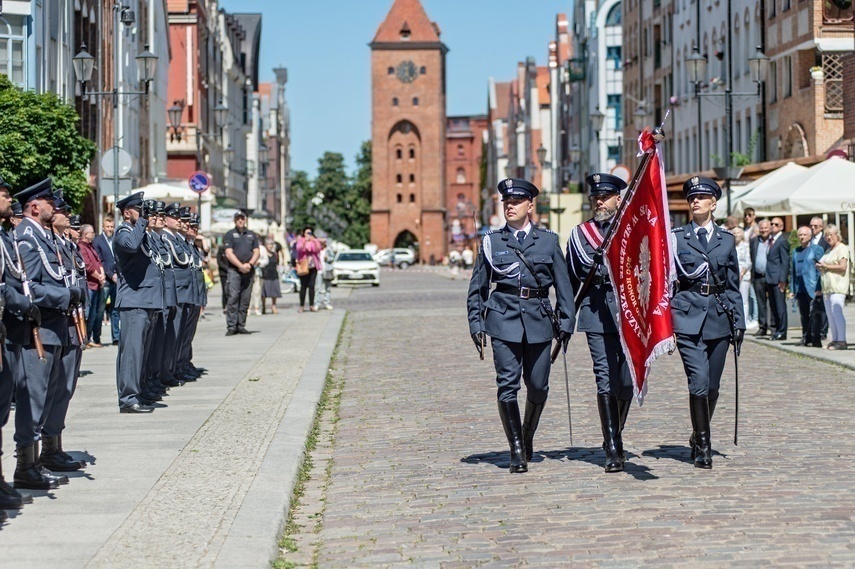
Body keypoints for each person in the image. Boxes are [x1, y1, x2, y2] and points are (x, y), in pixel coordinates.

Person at [467, 178, 575, 473]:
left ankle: (527, 434)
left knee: (538, 387)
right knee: (507, 385)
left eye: (515, 202)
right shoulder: (491, 242)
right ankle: (516, 449)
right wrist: (476, 322)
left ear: (530, 205)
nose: (509, 207)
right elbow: (478, 287)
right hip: (502, 319)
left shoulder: (549, 241)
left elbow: (564, 288)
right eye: (506, 203)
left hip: (539, 320)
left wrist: (566, 322)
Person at [671, 176, 745, 469]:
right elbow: (669, 283)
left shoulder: (726, 240)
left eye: (701, 197)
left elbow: (732, 284)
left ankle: (696, 432)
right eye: (692, 198)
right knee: (698, 382)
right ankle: (704, 445)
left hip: (718, 317)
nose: (695, 201)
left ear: (714, 203)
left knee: (712, 386)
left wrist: (738, 321)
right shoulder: (677, 238)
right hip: (687, 317)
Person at [13, 179, 80, 487]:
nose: (56, 208)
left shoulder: (46, 237)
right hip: (40, 328)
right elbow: (29, 287)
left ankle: (45, 456)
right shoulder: (27, 237)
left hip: (57, 326)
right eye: (51, 203)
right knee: (35, 397)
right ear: (35, 206)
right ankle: (25, 466)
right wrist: (64, 297)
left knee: (54, 393)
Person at [566, 173, 633, 473]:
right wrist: (564, 318)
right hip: (595, 314)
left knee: (627, 383)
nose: (599, 201)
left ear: (618, 199)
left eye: (605, 196)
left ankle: (614, 433)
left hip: (628, 316)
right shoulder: (581, 236)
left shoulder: (631, 231)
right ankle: (613, 446)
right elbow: (568, 281)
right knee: (605, 379)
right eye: (595, 196)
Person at [0, 175, 40, 506]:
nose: (7, 200)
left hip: (10, 332)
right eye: (3, 194)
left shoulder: (6, 237)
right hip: (7, 324)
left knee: (2, 408)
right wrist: (23, 303)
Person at [114, 191, 164, 413]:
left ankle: (138, 391)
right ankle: (128, 399)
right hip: (134, 300)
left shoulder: (142, 233)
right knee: (132, 354)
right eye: (138, 210)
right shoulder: (123, 232)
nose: (143, 214)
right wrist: (142, 221)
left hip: (146, 300)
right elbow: (131, 246)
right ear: (127, 213)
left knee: (141, 353)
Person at [223, 211, 259, 333]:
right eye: (238, 219)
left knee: (245, 298)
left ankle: (241, 325)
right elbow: (229, 253)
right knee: (233, 297)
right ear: (234, 220)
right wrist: (240, 266)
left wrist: (249, 264)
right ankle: (232, 326)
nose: (240, 221)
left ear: (245, 220)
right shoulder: (230, 235)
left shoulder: (251, 235)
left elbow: (256, 252)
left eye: (242, 219)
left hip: (249, 270)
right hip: (234, 270)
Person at [789, 226, 824, 347]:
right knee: (804, 315)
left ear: (810, 236)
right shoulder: (796, 251)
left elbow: (820, 269)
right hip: (800, 288)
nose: (802, 237)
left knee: (815, 314)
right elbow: (793, 272)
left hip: (812, 286)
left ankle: (816, 338)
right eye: (800, 235)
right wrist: (792, 289)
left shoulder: (817, 249)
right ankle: (806, 337)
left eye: (804, 235)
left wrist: (819, 287)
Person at [817, 224, 850, 350]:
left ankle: (842, 341)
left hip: (837, 286)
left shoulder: (841, 248)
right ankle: (835, 339)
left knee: (837, 312)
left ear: (837, 235)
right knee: (830, 314)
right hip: (827, 287)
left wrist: (826, 267)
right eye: (826, 235)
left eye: (831, 234)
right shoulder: (829, 250)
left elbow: (843, 266)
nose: (828, 237)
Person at [78, 223, 106, 347]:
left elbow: (98, 262)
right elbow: (88, 266)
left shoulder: (91, 247)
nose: (94, 235)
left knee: (95, 313)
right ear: (85, 235)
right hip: (90, 285)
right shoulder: (81, 247)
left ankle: (91, 338)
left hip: (97, 284)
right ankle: (86, 338)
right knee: (88, 313)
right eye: (92, 232)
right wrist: (99, 277)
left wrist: (102, 274)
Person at [93, 215, 120, 345]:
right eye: (108, 227)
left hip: (117, 279)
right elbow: (100, 261)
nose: (110, 229)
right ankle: (96, 337)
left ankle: (116, 337)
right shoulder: (98, 241)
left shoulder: (116, 239)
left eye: (112, 227)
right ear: (103, 227)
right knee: (100, 309)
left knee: (115, 309)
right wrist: (110, 275)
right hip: (107, 281)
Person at [766, 217, 790, 341]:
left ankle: (782, 331)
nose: (773, 226)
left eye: (776, 224)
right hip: (769, 278)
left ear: (781, 227)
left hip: (778, 279)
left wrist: (783, 279)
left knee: (780, 306)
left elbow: (785, 261)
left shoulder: (782, 241)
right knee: (773, 306)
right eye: (772, 223)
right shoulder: (771, 240)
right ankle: (776, 330)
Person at [749, 219, 773, 336]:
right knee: (760, 303)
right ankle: (762, 327)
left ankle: (773, 327)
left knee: (773, 303)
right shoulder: (753, 241)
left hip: (771, 276)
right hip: (758, 276)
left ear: (770, 229)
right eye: (761, 228)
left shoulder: (773, 241)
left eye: (766, 228)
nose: (763, 230)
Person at [732, 227, 757, 330]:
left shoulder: (746, 246)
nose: (736, 234)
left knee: (744, 300)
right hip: (732, 275)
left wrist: (742, 273)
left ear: (742, 234)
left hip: (744, 276)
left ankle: (744, 321)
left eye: (738, 233)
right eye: (734, 233)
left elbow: (748, 261)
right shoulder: (731, 246)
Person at [295, 227, 322, 313]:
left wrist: (314, 241)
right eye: (307, 233)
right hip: (304, 265)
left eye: (310, 233)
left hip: (313, 266)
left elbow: (318, 249)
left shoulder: (314, 240)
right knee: (303, 286)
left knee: (312, 286)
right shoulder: (301, 240)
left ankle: (311, 305)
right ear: (304, 233)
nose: (309, 234)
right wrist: (304, 241)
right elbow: (299, 249)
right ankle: (302, 305)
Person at [261, 239, 282, 314]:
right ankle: (263, 306)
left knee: (274, 291)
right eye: (268, 244)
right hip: (265, 274)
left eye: (271, 245)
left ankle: (274, 305)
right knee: (264, 292)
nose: (270, 246)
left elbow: (277, 263)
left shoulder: (274, 254)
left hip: (274, 273)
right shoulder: (263, 254)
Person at [315, 239, 334, 310]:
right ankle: (317, 303)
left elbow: (332, 258)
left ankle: (327, 302)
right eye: (320, 243)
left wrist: (327, 258)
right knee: (318, 288)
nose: (321, 244)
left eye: (323, 243)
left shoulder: (329, 249)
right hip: (319, 271)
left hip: (327, 270)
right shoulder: (317, 250)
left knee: (328, 288)